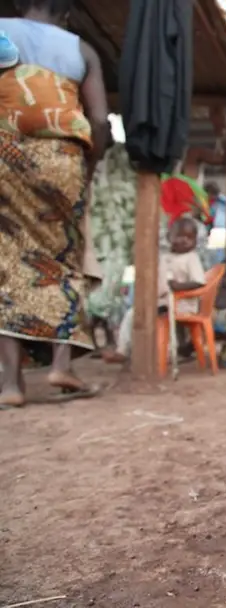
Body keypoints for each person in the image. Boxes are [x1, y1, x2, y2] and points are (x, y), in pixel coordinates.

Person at [0, 0, 109, 408]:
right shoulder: (80, 49)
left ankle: (11, 385)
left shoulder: (2, 31)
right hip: (61, 159)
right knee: (65, 257)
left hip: (5, 152)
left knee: (7, 261)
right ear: (66, 13)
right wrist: (89, 163)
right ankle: (61, 365)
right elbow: (99, 121)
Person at [103, 217, 205, 365]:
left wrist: (178, 286)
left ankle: (168, 352)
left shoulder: (191, 258)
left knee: (158, 318)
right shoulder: (165, 257)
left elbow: (199, 282)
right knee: (132, 313)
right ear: (169, 237)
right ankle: (122, 351)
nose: (185, 240)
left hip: (181, 303)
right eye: (180, 236)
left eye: (190, 237)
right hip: (162, 301)